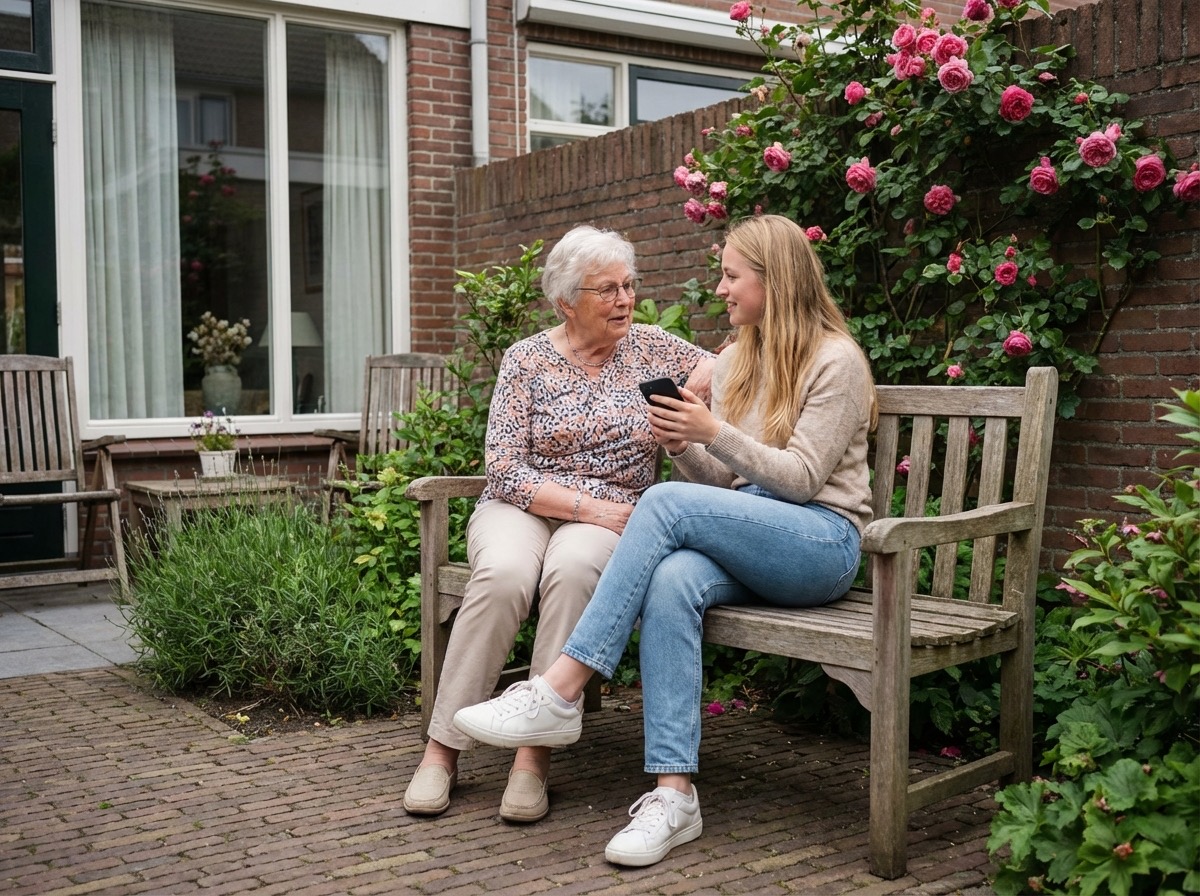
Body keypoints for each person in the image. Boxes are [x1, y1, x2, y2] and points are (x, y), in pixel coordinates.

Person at [452, 214, 877, 865]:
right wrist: (683, 444)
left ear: (774, 280)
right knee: (673, 578)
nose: (722, 289)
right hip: (754, 535)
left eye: (732, 276)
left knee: (660, 505)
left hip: (820, 545)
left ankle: (559, 690)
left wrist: (712, 432)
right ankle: (674, 794)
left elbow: (800, 479)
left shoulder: (835, 360)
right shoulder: (739, 357)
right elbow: (726, 482)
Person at [402, 224, 714, 822]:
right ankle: (441, 751)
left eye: (628, 286)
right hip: (526, 505)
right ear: (565, 302)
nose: (624, 300)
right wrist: (589, 507)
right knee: (503, 576)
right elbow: (503, 468)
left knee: (572, 572)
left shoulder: (654, 347)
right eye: (607, 291)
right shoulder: (526, 359)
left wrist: (699, 383)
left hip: (614, 512)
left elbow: (732, 360)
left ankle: (531, 758)